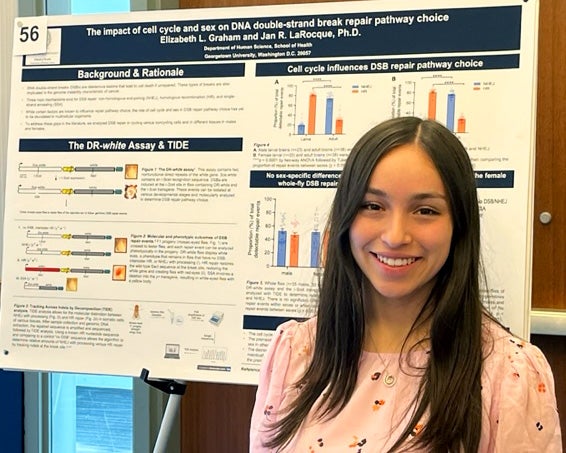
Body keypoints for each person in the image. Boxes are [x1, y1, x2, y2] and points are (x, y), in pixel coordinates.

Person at [249, 117, 561, 452]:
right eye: (373, 206)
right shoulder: (295, 353)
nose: (395, 236)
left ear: (459, 226)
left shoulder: (508, 372)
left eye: (425, 210)